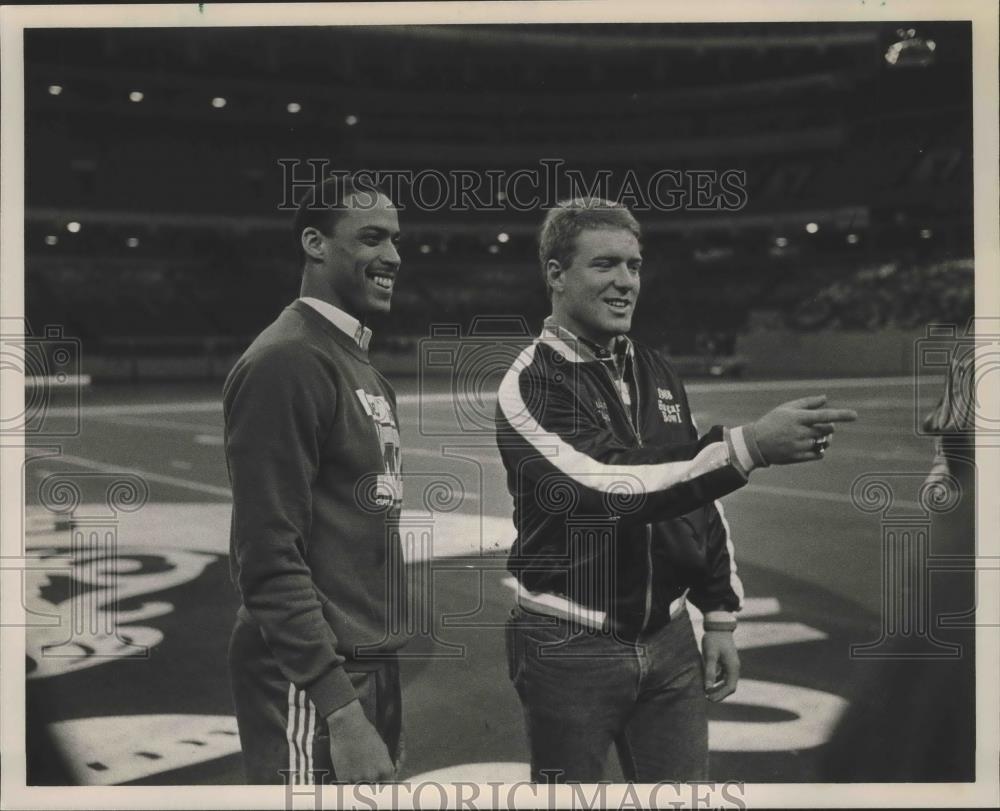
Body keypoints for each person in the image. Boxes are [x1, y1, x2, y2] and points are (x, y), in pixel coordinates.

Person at [495, 198, 858, 783]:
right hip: (570, 642)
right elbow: (614, 484)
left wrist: (717, 612)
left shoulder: (657, 370)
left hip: (668, 642)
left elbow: (691, 498)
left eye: (634, 266)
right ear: (556, 275)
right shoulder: (531, 383)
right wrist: (748, 447)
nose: (625, 282)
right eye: (605, 265)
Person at [223, 174, 405, 785]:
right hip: (312, 684)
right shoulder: (288, 359)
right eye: (372, 238)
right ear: (314, 243)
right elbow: (268, 556)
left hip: (364, 670)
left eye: (396, 239)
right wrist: (343, 711)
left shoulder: (355, 361)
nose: (393, 257)